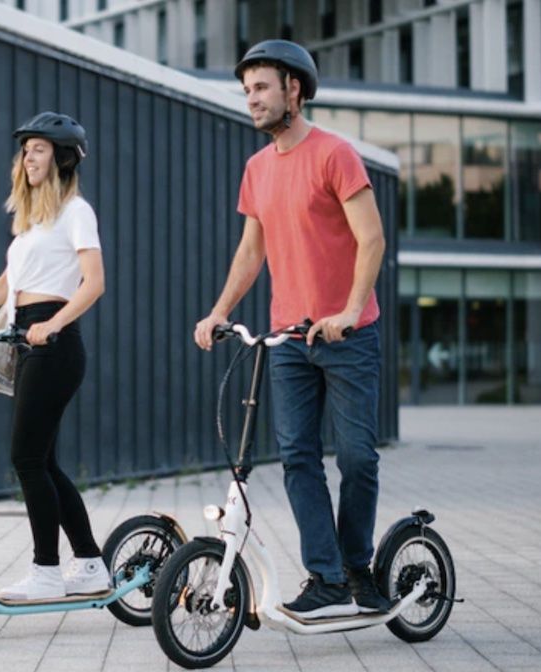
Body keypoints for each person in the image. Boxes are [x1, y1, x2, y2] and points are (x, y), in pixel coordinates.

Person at [194, 40, 394, 620]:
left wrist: (351, 310)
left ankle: (358, 565)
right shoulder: (257, 168)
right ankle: (326, 576)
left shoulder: (336, 154)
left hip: (348, 336)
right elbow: (250, 251)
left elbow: (372, 239)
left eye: (261, 88)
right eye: (247, 90)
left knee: (356, 457)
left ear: (294, 91)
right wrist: (218, 311)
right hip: (288, 339)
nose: (250, 99)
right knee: (297, 458)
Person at [0, 112, 109, 601]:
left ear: (63, 156)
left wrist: (53, 323)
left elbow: (94, 283)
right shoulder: (33, 223)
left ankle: (47, 571)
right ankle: (92, 564)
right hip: (28, 340)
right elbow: (11, 284)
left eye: (38, 148)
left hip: (55, 344)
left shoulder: (77, 212)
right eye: (25, 149)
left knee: (26, 458)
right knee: (44, 463)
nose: (28, 157)